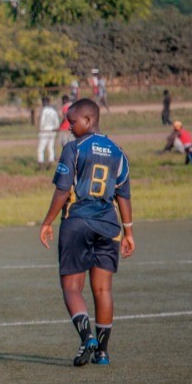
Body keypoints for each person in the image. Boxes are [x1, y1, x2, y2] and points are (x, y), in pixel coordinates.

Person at [39, 98, 133, 366]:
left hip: (78, 222)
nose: (69, 127)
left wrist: (47, 222)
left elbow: (62, 190)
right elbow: (123, 195)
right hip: (109, 226)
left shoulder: (74, 148)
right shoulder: (118, 152)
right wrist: (128, 232)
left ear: (89, 120)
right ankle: (102, 353)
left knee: (71, 287)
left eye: (72, 122)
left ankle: (87, 338)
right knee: (103, 289)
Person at [38, 96, 61, 171]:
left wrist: (40, 129)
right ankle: (50, 163)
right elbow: (57, 121)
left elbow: (42, 120)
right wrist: (56, 128)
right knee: (50, 147)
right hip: (52, 130)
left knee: (41, 148)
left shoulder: (44, 110)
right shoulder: (53, 111)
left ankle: (41, 165)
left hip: (44, 130)